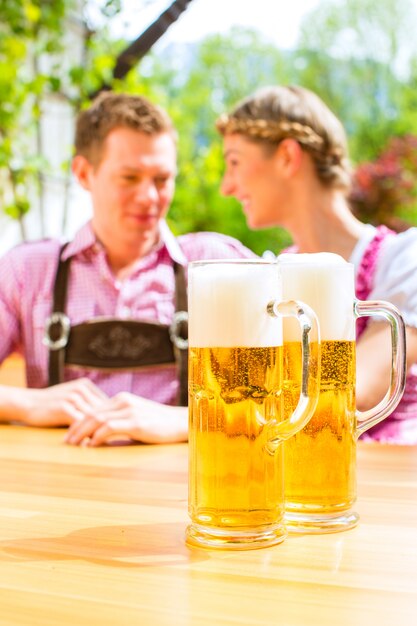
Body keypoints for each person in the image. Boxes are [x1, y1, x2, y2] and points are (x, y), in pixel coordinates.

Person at [0, 92, 256, 445]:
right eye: (130, 177)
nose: (149, 197)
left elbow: (281, 396)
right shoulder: (28, 271)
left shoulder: (216, 265)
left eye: (162, 179)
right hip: (59, 489)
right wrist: (29, 403)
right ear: (84, 173)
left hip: (180, 491)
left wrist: (186, 420)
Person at [216, 84, 417, 444]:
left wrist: (192, 419)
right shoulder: (271, 273)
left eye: (234, 162)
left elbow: (355, 390)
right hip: (299, 486)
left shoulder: (404, 260)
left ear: (287, 157)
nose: (226, 187)